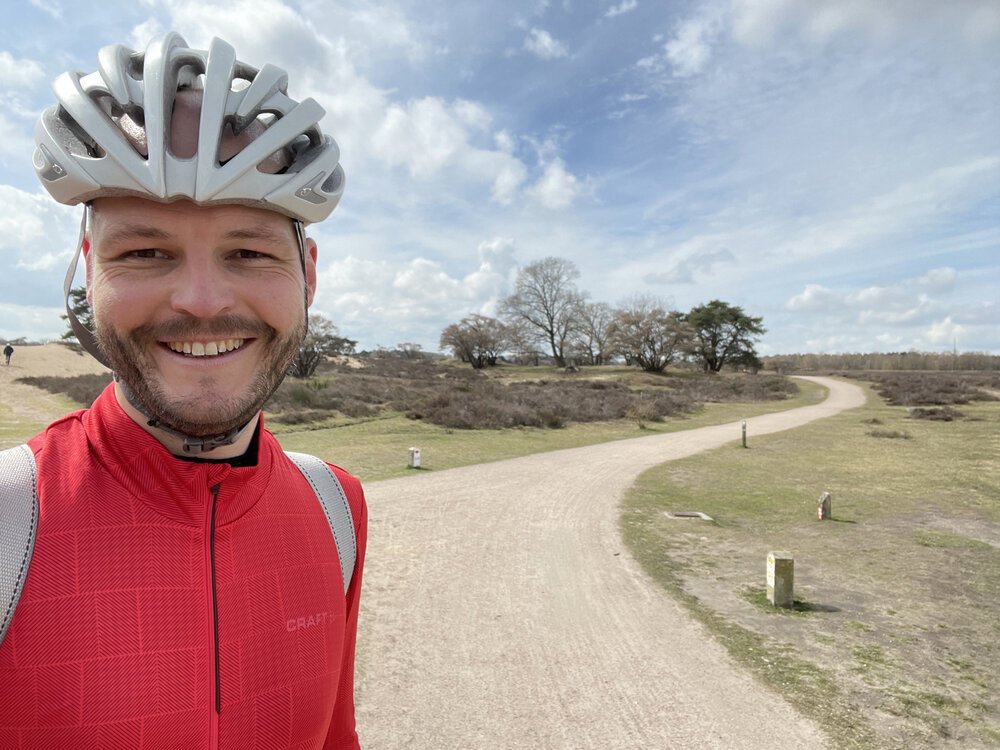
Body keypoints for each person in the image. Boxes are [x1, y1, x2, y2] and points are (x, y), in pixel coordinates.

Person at [0, 32, 367, 748]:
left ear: (308, 274)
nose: (201, 300)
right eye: (144, 252)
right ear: (89, 269)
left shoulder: (339, 510)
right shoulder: (5, 522)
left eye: (249, 251)